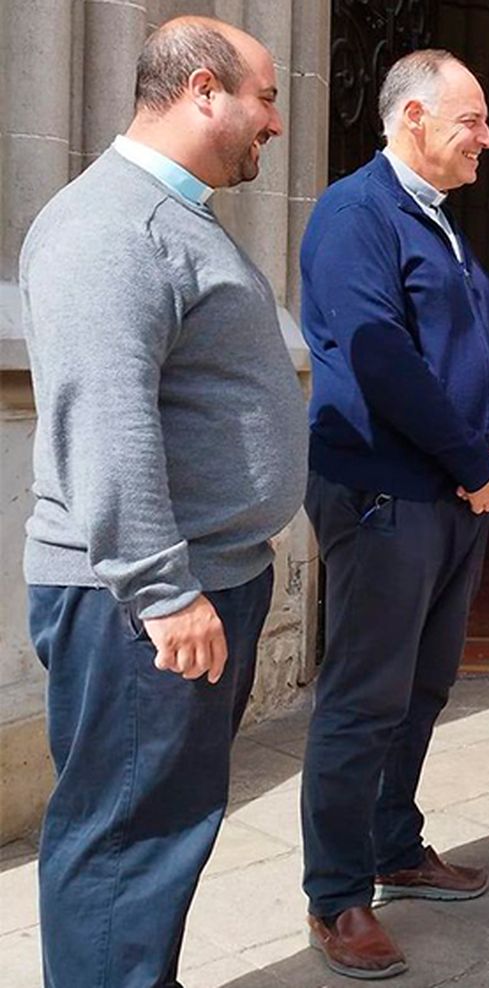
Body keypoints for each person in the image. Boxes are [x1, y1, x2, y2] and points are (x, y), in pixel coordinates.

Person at [19, 17, 304, 986]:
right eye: (264, 97)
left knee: (162, 840)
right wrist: (161, 588)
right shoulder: (113, 224)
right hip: (146, 603)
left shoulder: (175, 216)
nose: (275, 119)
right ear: (202, 92)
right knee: (126, 847)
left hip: (199, 581)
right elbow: (104, 417)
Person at [297, 49, 489, 980]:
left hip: (453, 497)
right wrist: (474, 462)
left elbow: (463, 357)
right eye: (473, 120)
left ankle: (393, 844)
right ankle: (337, 896)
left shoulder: (440, 223)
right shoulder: (357, 214)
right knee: (362, 699)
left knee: (422, 688)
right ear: (416, 116)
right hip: (387, 493)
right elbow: (383, 361)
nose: (487, 139)